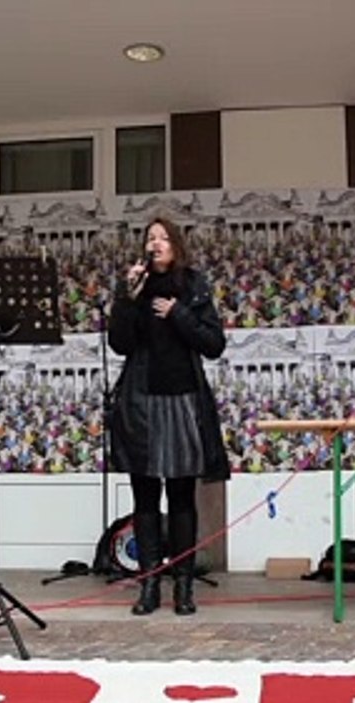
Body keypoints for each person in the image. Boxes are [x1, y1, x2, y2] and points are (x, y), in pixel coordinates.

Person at [107, 218, 229, 616]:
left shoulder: (193, 284)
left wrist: (179, 313)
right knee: (145, 497)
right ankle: (149, 586)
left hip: (182, 401)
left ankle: (183, 586)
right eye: (150, 238)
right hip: (141, 402)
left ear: (176, 245)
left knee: (181, 497)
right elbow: (119, 344)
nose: (155, 243)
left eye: (163, 238)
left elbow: (214, 344)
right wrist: (127, 298)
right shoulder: (135, 287)